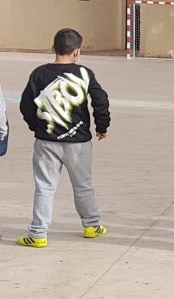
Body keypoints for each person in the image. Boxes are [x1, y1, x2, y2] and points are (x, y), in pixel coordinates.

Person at [16, 28, 111, 248]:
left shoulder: (39, 73)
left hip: (46, 141)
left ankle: (38, 233)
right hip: (78, 142)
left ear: (53, 48)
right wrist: (102, 126)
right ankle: (91, 224)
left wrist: (36, 127)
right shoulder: (85, 73)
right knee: (83, 185)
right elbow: (100, 100)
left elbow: (26, 105)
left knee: (45, 187)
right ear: (77, 52)